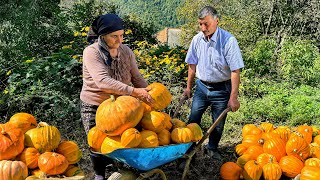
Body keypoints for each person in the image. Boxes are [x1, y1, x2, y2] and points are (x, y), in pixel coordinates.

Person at [80, 13, 153, 180]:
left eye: (121, 35)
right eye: (114, 36)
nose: (119, 40)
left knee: (121, 142)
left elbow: (136, 77)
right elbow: (103, 81)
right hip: (96, 105)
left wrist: (148, 92)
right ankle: (99, 175)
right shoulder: (91, 52)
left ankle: (118, 170)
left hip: (123, 106)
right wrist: (134, 92)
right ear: (103, 36)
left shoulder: (126, 51)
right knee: (97, 142)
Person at [183, 6, 244, 160]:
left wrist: (233, 97)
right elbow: (192, 65)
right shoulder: (197, 40)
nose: (203, 28)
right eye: (200, 24)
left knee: (218, 123)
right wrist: (188, 87)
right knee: (193, 119)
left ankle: (212, 148)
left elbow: (235, 71)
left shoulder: (229, 41)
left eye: (207, 24)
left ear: (216, 21)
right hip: (202, 87)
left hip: (222, 88)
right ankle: (188, 150)